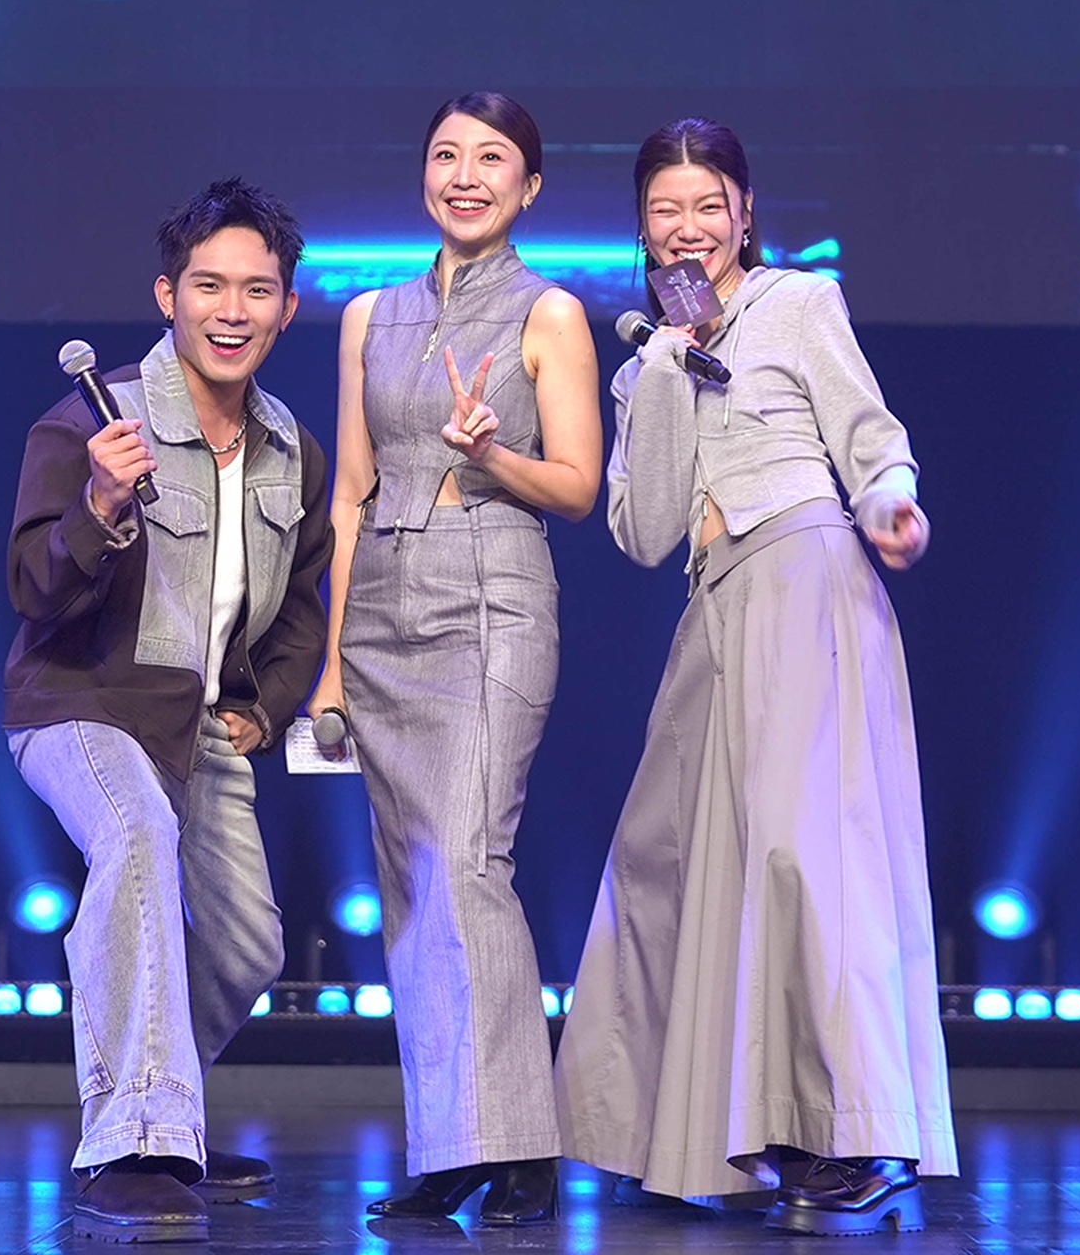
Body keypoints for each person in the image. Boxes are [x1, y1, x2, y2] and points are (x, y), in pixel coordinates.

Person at [554, 118, 955, 1236]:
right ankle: (669, 1135)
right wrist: (666, 373)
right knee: (664, 856)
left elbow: (868, 435)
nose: (688, 228)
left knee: (805, 856)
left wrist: (891, 503)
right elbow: (642, 531)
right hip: (715, 606)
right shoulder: (645, 363)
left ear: (743, 214)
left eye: (708, 206)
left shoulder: (798, 303)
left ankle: (860, 1137)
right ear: (643, 228)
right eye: (665, 210)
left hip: (805, 577)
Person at [4, 178, 333, 1244]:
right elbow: (33, 593)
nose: (232, 311)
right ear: (167, 295)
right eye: (208, 286)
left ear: (287, 307)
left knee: (248, 948)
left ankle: (164, 1111)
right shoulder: (91, 419)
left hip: (200, 724)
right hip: (83, 703)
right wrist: (99, 506)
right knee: (136, 836)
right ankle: (135, 1141)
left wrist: (266, 709)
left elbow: (303, 605)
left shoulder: (291, 448)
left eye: (257, 290)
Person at [304, 93, 603, 1226]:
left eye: (491, 159)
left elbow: (577, 486)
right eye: (445, 155)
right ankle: (455, 1142)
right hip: (380, 607)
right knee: (414, 884)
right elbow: (349, 493)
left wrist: (492, 455)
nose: (464, 176)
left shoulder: (549, 313)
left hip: (490, 597)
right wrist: (332, 667)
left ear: (530, 187)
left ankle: (516, 1147)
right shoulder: (366, 317)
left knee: (469, 863)